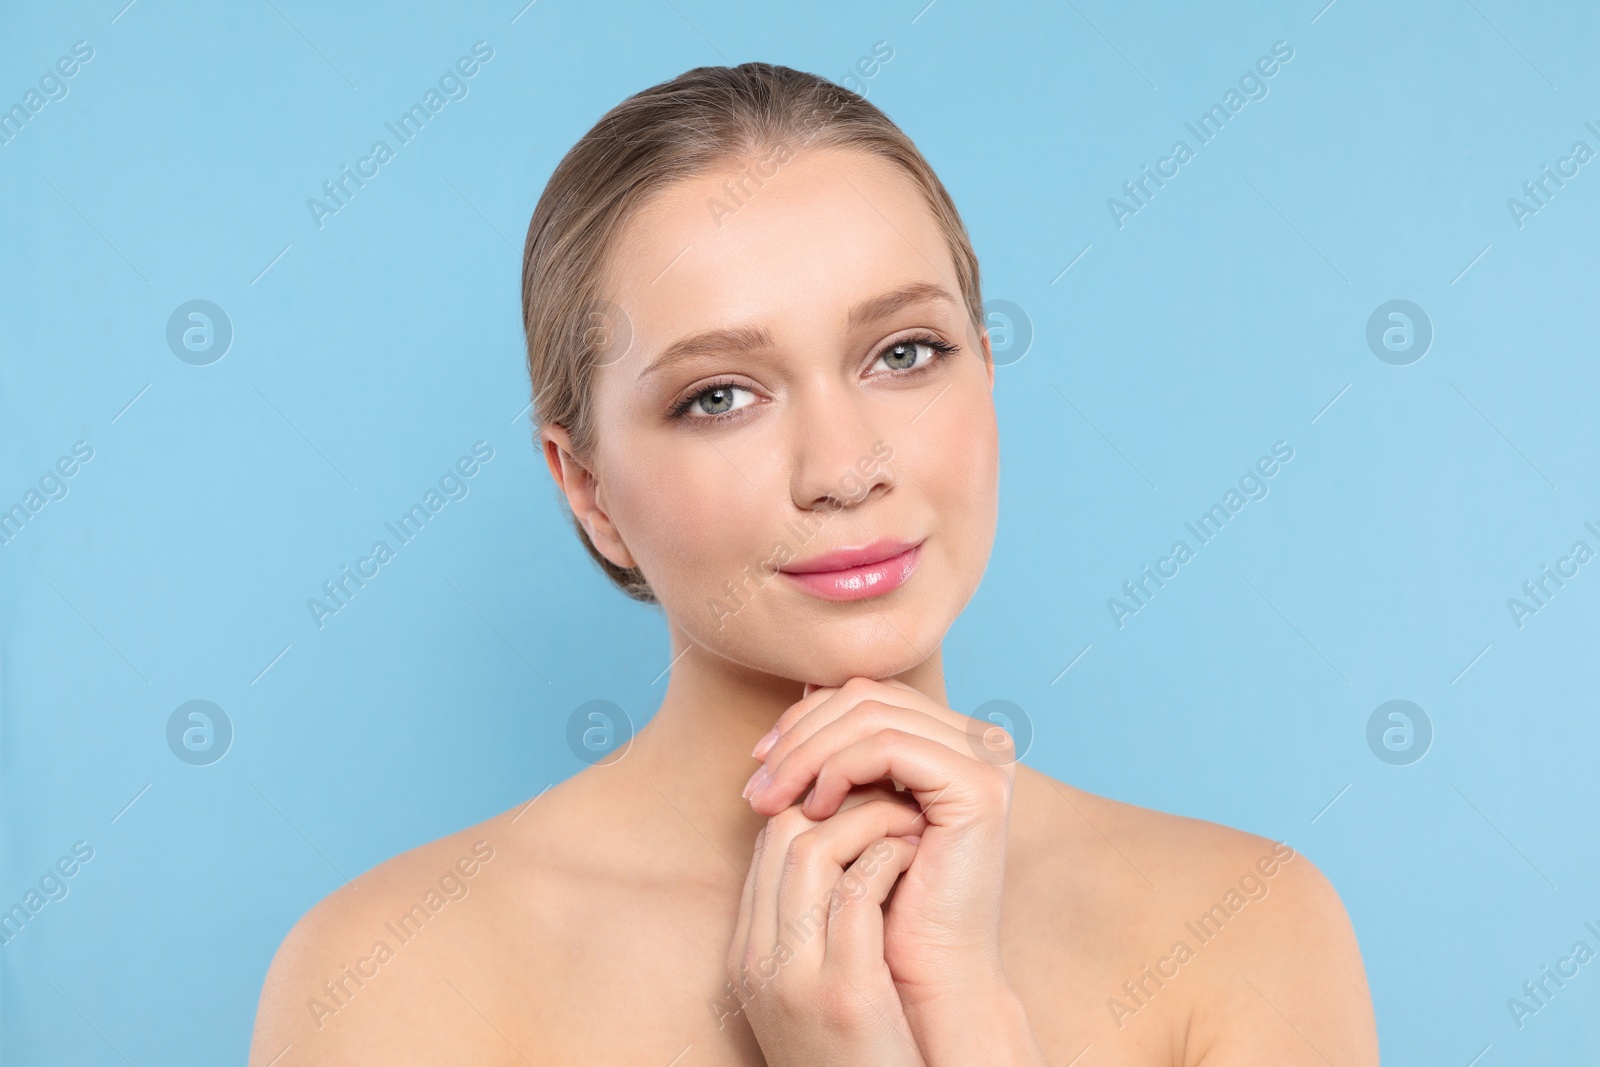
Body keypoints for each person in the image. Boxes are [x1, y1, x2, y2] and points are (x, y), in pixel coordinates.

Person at [249, 62, 1377, 1065]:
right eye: (719, 396)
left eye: (903, 353)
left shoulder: (1243, 926)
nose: (842, 468)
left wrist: (963, 1019)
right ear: (585, 486)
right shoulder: (392, 972)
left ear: (985, 373)